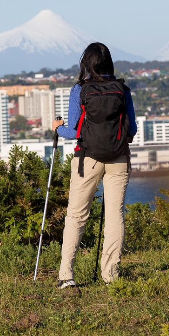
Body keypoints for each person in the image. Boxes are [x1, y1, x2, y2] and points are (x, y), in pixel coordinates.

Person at [53, 42, 136, 293]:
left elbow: (73, 130)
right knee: (114, 216)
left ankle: (66, 275)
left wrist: (57, 127)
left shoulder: (80, 90)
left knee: (77, 216)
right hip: (119, 159)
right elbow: (131, 129)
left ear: (86, 64)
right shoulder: (122, 89)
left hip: (86, 159)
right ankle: (111, 274)